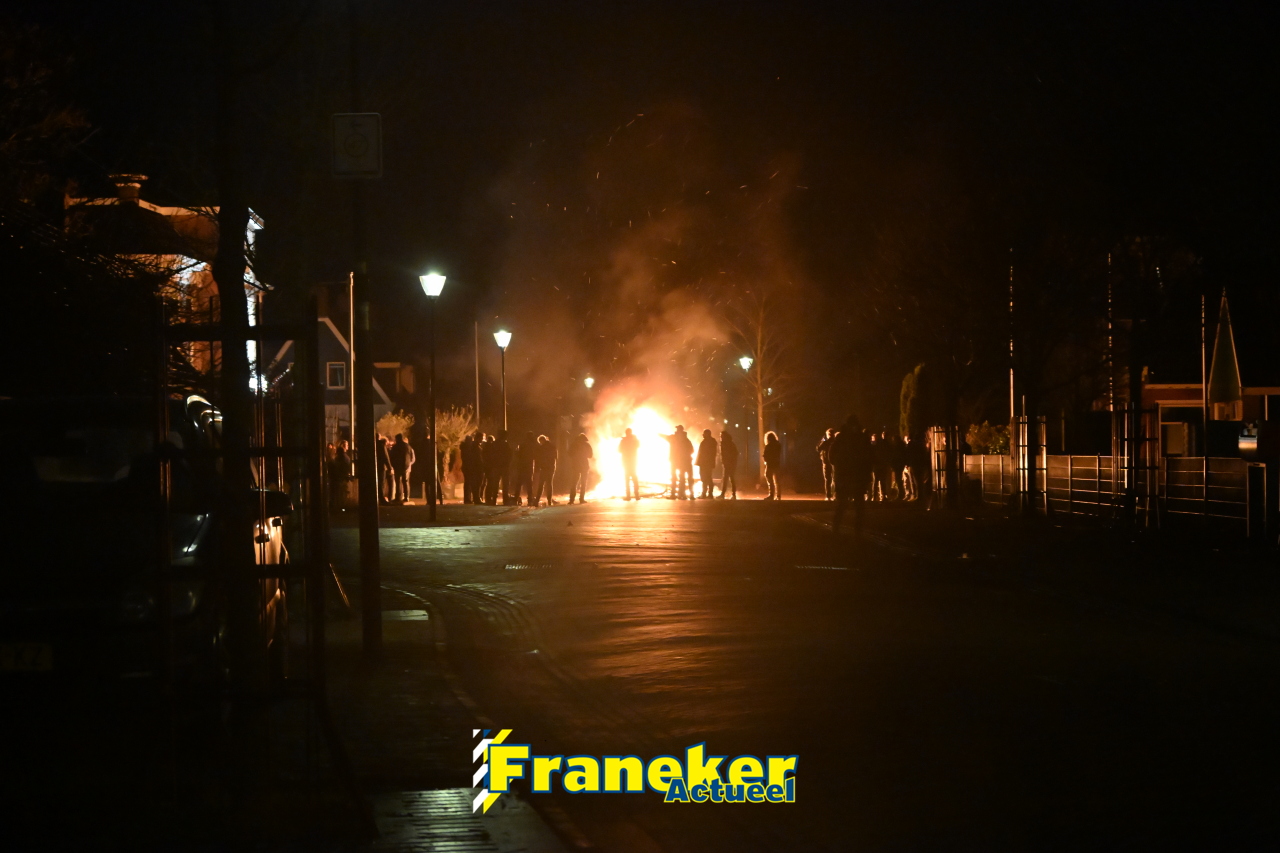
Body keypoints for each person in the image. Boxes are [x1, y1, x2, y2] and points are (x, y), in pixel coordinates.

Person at [832, 416, 872, 534]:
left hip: (849, 475)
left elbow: (832, 456)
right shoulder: (861, 438)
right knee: (855, 505)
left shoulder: (842, 438)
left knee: (845, 504)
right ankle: (855, 530)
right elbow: (869, 457)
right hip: (854, 475)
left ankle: (837, 529)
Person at [485, 431, 511, 505]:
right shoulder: (506, 444)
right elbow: (509, 455)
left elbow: (490, 455)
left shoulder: (494, 444)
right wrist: (507, 463)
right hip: (504, 467)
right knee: (505, 483)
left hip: (495, 466)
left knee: (495, 483)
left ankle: (494, 499)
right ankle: (505, 499)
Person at [567, 432, 593, 504]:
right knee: (583, 483)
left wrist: (575, 457)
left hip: (576, 465)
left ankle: (571, 500)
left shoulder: (574, 444)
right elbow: (590, 455)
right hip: (584, 465)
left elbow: (569, 453)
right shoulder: (587, 445)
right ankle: (581, 499)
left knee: (574, 482)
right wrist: (584, 455)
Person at [388, 433, 415, 503]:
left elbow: (391, 457)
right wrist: (409, 464)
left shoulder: (395, 447)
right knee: (405, 482)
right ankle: (406, 497)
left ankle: (398, 497)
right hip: (406, 467)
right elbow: (412, 457)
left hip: (397, 467)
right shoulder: (408, 446)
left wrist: (392, 465)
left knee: (398, 482)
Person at [532, 434, 558, 507]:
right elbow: (556, 457)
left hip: (543, 468)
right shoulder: (552, 446)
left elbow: (537, 459)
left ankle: (537, 500)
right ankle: (549, 500)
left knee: (541, 484)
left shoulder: (540, 448)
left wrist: (536, 469)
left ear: (541, 441)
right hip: (551, 467)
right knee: (549, 484)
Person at [513, 432, 536, 506]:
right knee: (529, 484)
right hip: (529, 466)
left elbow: (517, 454)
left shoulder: (522, 445)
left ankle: (516, 498)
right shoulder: (532, 445)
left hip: (521, 466)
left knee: (519, 483)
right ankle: (530, 499)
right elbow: (534, 456)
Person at [329, 439, 352, 511]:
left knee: (336, 494)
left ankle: (336, 507)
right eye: (347, 445)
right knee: (341, 494)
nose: (348, 446)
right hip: (342, 478)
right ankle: (341, 508)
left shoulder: (338, 457)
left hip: (338, 478)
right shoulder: (345, 457)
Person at [460, 432, 482, 504]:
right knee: (471, 483)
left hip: (466, 467)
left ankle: (467, 498)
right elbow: (473, 458)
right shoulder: (469, 448)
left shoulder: (464, 448)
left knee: (468, 483)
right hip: (470, 467)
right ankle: (469, 499)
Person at [619, 428, 640, 500]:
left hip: (626, 461)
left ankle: (628, 496)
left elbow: (619, 450)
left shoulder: (624, 441)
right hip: (633, 461)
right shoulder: (635, 440)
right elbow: (638, 445)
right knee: (634, 478)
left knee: (627, 479)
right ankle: (637, 495)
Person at [695, 429, 718, 498]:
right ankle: (706, 493)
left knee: (706, 478)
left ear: (707, 434)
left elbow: (707, 453)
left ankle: (707, 493)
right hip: (705, 463)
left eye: (704, 433)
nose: (703, 435)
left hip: (706, 463)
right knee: (705, 478)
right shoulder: (709, 441)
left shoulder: (709, 442)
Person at [816, 428, 836, 501]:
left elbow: (818, 448)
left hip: (827, 463)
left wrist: (823, 440)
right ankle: (834, 495)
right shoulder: (836, 441)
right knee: (834, 479)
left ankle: (829, 496)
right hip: (834, 463)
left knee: (828, 479)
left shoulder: (826, 442)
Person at [718, 430, 738, 499]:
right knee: (729, 479)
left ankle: (726, 494)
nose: (721, 437)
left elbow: (735, 453)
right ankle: (731, 494)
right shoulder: (726, 443)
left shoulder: (728, 444)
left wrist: (730, 461)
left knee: (728, 479)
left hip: (729, 464)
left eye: (722, 436)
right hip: (728, 464)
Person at [763, 430, 782, 500]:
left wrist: (766, 461)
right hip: (777, 464)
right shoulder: (778, 445)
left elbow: (765, 455)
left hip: (770, 464)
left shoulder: (768, 446)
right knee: (777, 481)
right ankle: (778, 496)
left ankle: (771, 495)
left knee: (770, 480)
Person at [376, 434, 393, 504]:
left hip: (376, 466)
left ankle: (378, 498)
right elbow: (386, 457)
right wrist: (390, 467)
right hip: (381, 466)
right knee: (381, 483)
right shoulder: (381, 445)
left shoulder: (373, 445)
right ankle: (382, 499)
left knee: (378, 483)